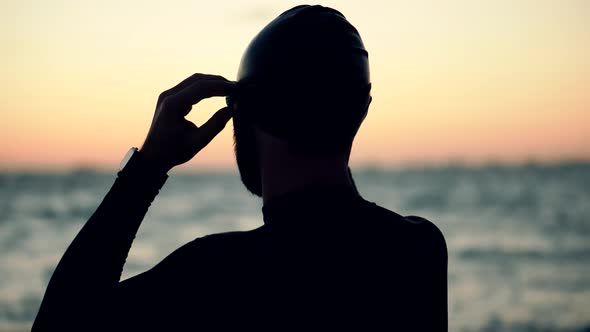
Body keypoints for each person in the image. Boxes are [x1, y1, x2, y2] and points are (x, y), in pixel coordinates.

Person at [32, 5, 447, 332]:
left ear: (250, 112)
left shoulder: (211, 278)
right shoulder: (417, 251)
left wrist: (148, 167)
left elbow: (59, 324)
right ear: (361, 110)